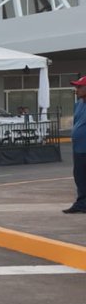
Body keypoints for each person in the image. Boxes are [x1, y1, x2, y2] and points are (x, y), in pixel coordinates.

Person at [64, 76, 86, 214]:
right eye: (76, 87)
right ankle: (82, 203)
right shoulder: (78, 104)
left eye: (79, 87)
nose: (76, 90)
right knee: (80, 176)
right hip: (79, 147)